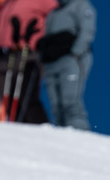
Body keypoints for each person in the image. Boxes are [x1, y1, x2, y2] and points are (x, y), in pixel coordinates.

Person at [0, 0, 57, 124]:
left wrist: (40, 35)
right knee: (8, 99)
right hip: (5, 53)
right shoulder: (7, 3)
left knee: (26, 97)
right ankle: (21, 133)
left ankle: (44, 132)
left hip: (29, 52)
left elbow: (57, 15)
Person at [37, 0, 96, 130]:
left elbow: (87, 30)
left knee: (70, 103)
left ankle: (81, 137)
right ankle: (63, 140)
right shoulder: (53, 13)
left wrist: (76, 53)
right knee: (57, 107)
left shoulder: (80, 5)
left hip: (71, 60)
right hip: (51, 63)